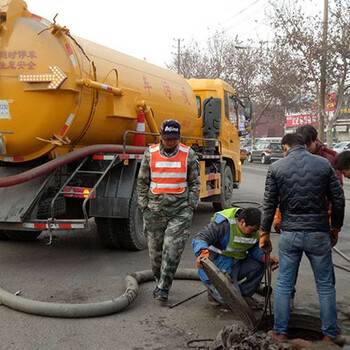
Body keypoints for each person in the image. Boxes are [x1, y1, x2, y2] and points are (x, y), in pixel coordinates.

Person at [259, 133, 345, 345]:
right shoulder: (324, 165)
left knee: (284, 285)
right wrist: (335, 227)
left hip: (291, 233)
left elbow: (269, 204)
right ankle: (330, 335)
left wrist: (264, 233)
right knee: (325, 286)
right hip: (318, 232)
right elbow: (339, 199)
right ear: (305, 146)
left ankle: (279, 333)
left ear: (286, 147)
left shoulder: (277, 168)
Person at [137, 119, 200, 303]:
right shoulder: (150, 153)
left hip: (180, 211)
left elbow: (195, 183)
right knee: (155, 253)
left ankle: (164, 288)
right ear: (161, 137)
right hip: (154, 211)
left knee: (172, 249)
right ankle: (160, 281)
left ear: (178, 138)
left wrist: (191, 205)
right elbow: (142, 181)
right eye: (167, 139)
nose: (170, 143)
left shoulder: (188, 154)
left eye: (174, 139)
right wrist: (143, 204)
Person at [192, 207, 278, 309]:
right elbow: (200, 237)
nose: (254, 233)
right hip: (216, 267)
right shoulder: (224, 226)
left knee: (259, 264)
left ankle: (245, 295)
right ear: (242, 222)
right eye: (251, 230)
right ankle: (213, 292)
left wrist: (265, 258)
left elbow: (254, 248)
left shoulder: (256, 231)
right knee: (230, 300)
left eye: (256, 230)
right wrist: (202, 253)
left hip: (235, 266)